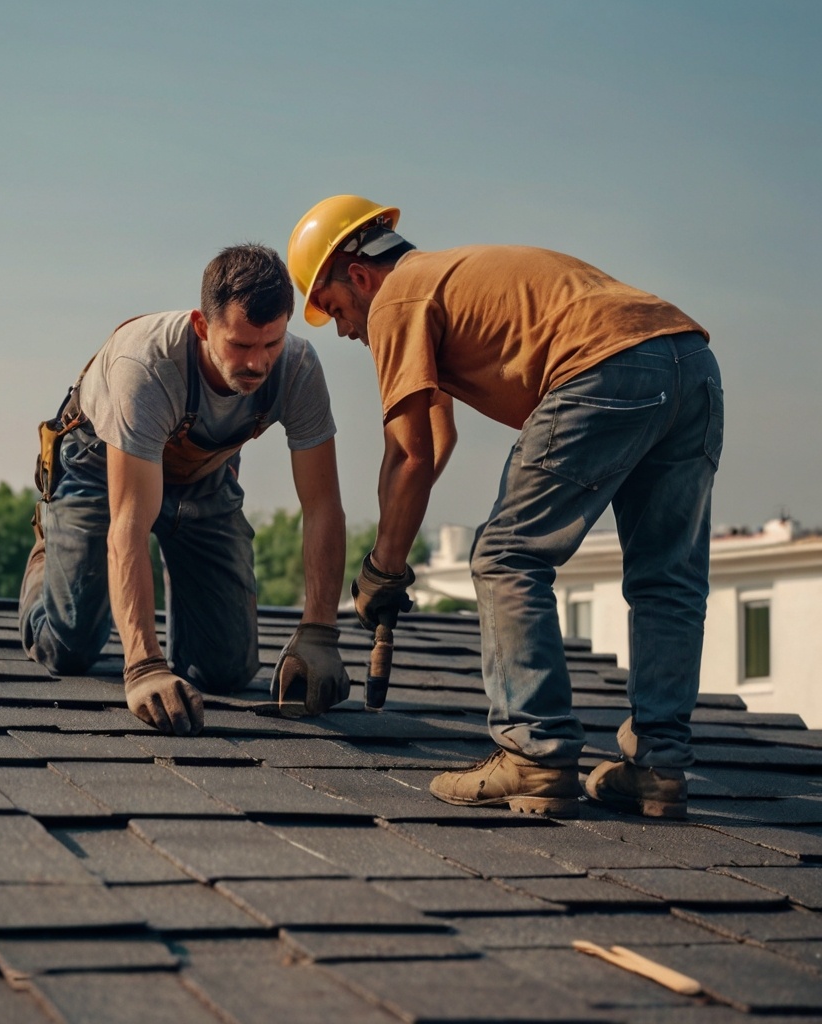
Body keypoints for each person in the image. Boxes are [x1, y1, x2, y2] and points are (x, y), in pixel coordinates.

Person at [287, 196, 723, 819]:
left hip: (604, 367)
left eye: (333, 309)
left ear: (357, 276)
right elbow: (435, 442)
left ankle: (534, 754)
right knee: (667, 579)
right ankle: (659, 768)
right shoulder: (447, 282)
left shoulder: (398, 300)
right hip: (690, 362)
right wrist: (389, 560)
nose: (344, 330)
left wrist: (381, 571)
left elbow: (408, 457)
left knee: (505, 556)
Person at [19, 244, 349, 736]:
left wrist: (319, 632)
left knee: (225, 673)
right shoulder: (147, 365)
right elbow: (129, 525)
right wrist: (144, 667)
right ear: (202, 326)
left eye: (271, 343)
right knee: (68, 648)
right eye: (240, 345)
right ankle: (53, 551)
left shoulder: (297, 367)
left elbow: (322, 505)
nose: (258, 364)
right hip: (100, 464)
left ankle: (186, 576)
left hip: (203, 473)